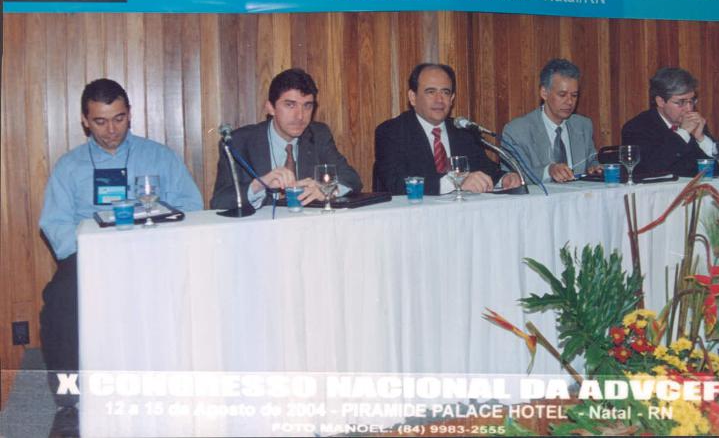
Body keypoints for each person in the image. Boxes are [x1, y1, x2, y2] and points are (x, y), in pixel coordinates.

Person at [38, 79, 203, 423]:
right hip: (91, 259)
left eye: (119, 119)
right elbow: (55, 224)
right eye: (100, 121)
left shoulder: (158, 156)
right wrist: (96, 250)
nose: (111, 130)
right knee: (59, 300)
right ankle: (69, 401)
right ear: (85, 120)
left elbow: (191, 206)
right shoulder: (69, 166)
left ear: (130, 114)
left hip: (151, 255)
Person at [210, 68, 361, 209]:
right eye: (290, 105)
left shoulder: (318, 134)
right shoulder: (239, 142)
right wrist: (258, 185)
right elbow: (219, 201)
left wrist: (327, 190)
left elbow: (351, 179)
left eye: (307, 106)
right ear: (270, 108)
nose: (300, 116)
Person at [374, 63, 522, 195]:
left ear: (452, 99)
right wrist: (456, 183)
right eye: (431, 92)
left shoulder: (463, 131)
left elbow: (486, 169)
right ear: (413, 97)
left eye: (445, 92)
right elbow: (396, 184)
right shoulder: (391, 132)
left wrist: (504, 179)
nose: (439, 100)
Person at [501, 59, 601, 183]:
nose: (570, 102)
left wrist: (595, 168)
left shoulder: (583, 126)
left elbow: (592, 160)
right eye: (562, 95)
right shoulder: (517, 131)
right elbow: (513, 175)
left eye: (574, 95)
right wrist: (548, 171)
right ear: (544, 93)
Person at [621, 67, 714, 177]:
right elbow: (650, 168)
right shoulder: (637, 128)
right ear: (660, 101)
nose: (689, 109)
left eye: (692, 101)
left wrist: (701, 138)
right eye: (681, 102)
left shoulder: (695, 122)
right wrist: (683, 133)